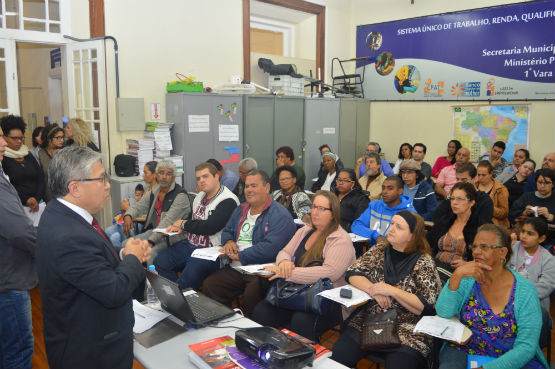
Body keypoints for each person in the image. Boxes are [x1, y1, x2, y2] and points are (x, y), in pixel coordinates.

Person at [37, 146, 151, 369]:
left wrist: (123, 254)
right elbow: (113, 291)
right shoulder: (69, 235)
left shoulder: (62, 215)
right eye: (101, 179)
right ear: (75, 188)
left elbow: (92, 265)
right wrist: (133, 259)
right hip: (91, 353)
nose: (108, 185)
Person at [331, 211, 442, 369]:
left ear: (412, 235)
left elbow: (426, 306)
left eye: (399, 227)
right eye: (392, 224)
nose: (391, 228)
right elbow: (353, 273)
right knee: (340, 354)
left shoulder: (424, 262)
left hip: (408, 327)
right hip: (371, 319)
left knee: (400, 364)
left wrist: (391, 290)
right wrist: (372, 289)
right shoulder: (380, 249)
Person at [436, 224, 549, 369]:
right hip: (465, 349)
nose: (476, 252)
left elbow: (526, 347)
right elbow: (444, 313)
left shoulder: (525, 290)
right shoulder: (467, 278)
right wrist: (456, 276)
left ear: (502, 252)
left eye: (484, 247)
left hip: (510, 356)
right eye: (474, 246)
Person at [252, 191, 356, 341]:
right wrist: (284, 263)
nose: (315, 212)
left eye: (321, 209)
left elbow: (330, 272)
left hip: (325, 299)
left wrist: (289, 273)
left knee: (300, 321)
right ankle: (267, 350)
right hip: (297, 291)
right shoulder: (304, 230)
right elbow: (284, 251)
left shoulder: (341, 239)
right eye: (313, 207)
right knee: (262, 311)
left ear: (333, 213)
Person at [201, 170, 296, 317]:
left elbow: (270, 248)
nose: (249, 190)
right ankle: (224, 321)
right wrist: (229, 241)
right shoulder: (241, 209)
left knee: (251, 296)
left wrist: (240, 256)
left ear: (267, 187)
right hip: (237, 268)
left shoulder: (280, 215)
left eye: (254, 185)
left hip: (262, 270)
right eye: (246, 186)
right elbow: (228, 230)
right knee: (211, 285)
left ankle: (251, 330)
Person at [154, 162, 239, 290]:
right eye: (198, 178)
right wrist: (182, 227)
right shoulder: (199, 196)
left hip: (213, 251)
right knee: (160, 262)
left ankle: (183, 300)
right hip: (191, 244)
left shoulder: (228, 200)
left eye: (205, 177)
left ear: (216, 176)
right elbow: (196, 219)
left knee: (187, 279)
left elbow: (209, 227)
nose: (201, 181)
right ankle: (178, 297)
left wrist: (183, 223)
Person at [0, 126, 37, 369]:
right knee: (19, 351)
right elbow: (19, 231)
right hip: (9, 282)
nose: (3, 143)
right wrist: (49, 247)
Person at [122, 160, 191, 263]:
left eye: (168, 174)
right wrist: (128, 216)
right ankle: (136, 276)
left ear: (173, 177)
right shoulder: (155, 190)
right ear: (157, 175)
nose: (164, 177)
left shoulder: (180, 196)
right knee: (126, 244)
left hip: (173, 238)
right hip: (155, 232)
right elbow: (139, 206)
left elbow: (166, 222)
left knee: (151, 253)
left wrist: (150, 242)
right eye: (161, 173)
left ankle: (150, 278)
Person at [427, 182, 490, 273]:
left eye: (460, 199)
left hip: (462, 273)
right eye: (452, 199)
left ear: (471, 202)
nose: (454, 203)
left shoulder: (480, 227)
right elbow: (427, 244)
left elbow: (487, 259)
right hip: (435, 268)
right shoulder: (444, 221)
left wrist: (468, 264)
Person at [352, 175, 416, 246]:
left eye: (390, 188)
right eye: (383, 188)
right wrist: (376, 236)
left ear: (400, 191)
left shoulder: (409, 213)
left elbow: (410, 240)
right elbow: (356, 225)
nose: (384, 192)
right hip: (373, 251)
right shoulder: (375, 206)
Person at [0, 115, 45, 213]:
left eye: (21, 138)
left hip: (38, 204)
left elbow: (40, 177)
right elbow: (8, 185)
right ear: (5, 138)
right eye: (14, 138)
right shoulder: (3, 157)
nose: (19, 141)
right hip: (17, 206)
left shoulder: (27, 153)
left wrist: (36, 198)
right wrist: (26, 199)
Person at [509, 217, 555, 313]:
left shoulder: (548, 259)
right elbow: (502, 270)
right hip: (508, 301)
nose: (524, 236)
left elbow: (546, 286)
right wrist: (506, 251)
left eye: (530, 234)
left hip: (535, 307)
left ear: (541, 238)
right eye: (523, 231)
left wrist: (519, 295)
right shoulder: (513, 247)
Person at [509, 168, 555, 247]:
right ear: (535, 182)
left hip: (549, 239)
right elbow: (511, 215)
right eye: (540, 182)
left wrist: (550, 217)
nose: (542, 186)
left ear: (553, 184)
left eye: (547, 183)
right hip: (524, 237)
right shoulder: (527, 197)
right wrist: (524, 212)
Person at [476, 160, 510, 229]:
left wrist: (487, 206)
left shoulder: (500, 189)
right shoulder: (474, 186)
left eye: (483, 175)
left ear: (491, 173)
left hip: (493, 224)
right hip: (475, 222)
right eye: (478, 175)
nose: (480, 178)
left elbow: (504, 213)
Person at [38, 123, 65, 202]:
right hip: (47, 197)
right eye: (58, 138)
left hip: (64, 195)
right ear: (49, 139)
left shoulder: (65, 153)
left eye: (62, 137)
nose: (62, 140)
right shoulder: (40, 154)